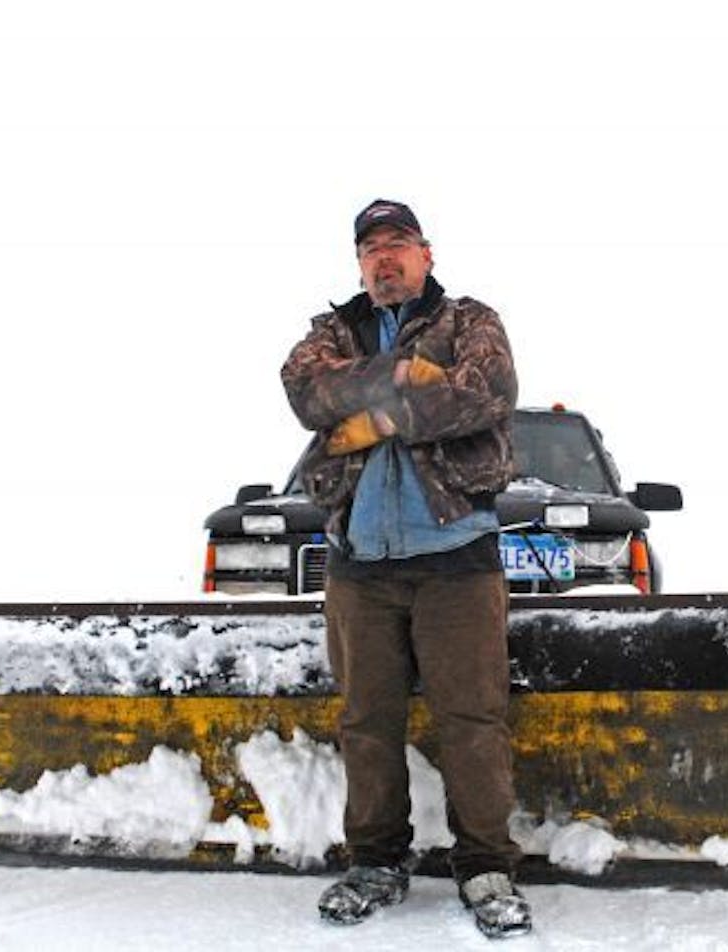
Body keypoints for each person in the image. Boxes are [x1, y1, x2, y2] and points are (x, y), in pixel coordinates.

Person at [280, 199, 532, 938]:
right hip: (360, 564)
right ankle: (375, 862)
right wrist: (405, 380)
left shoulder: (470, 321)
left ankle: (486, 866)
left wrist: (370, 414)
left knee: (474, 720)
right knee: (366, 721)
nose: (384, 259)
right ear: (358, 264)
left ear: (426, 253)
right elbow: (305, 391)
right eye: (370, 250)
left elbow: (484, 393)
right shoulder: (331, 330)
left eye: (397, 244)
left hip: (457, 558)